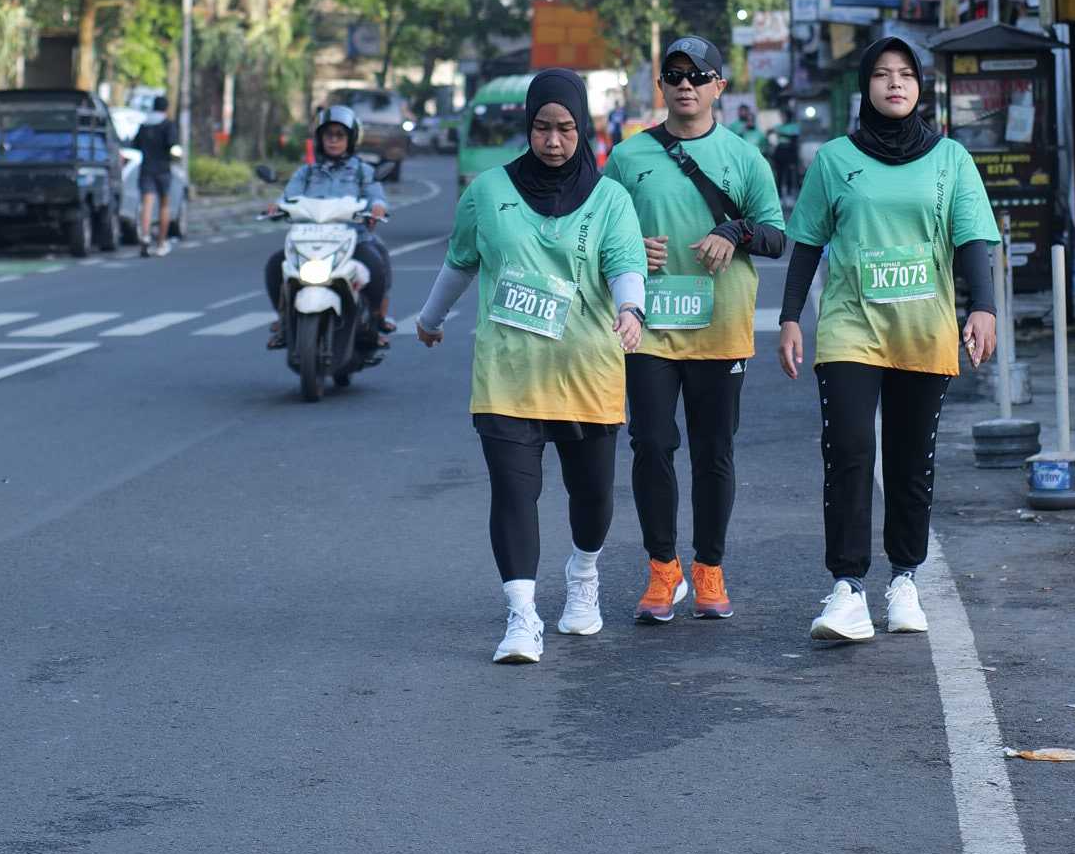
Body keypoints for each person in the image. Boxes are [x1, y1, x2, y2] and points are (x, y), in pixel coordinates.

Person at [777, 28, 999, 647]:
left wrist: (982, 308)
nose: (894, 83)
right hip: (851, 326)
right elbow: (807, 243)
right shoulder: (834, 160)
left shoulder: (950, 159)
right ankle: (848, 587)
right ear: (865, 87)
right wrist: (790, 316)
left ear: (920, 87)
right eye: (881, 74)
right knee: (848, 449)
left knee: (910, 458)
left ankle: (905, 578)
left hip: (924, 328)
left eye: (905, 74)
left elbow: (970, 239)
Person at [415, 69, 646, 663]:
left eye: (565, 128)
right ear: (527, 126)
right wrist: (430, 318)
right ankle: (522, 617)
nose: (553, 141)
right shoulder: (488, 191)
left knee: (592, 496)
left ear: (583, 127)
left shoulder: (611, 199)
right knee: (513, 494)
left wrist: (631, 310)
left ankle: (584, 575)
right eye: (542, 127)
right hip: (508, 374)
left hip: (587, 371)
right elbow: (461, 259)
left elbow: (625, 263)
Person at [605, 35, 786, 622]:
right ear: (661, 85)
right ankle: (663, 568)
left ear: (718, 87)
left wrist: (734, 231)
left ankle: (710, 567)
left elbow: (777, 238)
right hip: (648, 327)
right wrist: (632, 249)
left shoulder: (744, 157)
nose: (686, 84)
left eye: (698, 75)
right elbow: (599, 232)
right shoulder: (628, 158)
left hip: (719, 328)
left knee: (713, 451)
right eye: (675, 75)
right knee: (652, 443)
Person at [265, 105, 392, 348]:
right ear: (319, 139)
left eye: (339, 135)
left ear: (351, 140)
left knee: (377, 263)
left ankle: (376, 321)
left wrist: (377, 207)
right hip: (308, 240)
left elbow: (376, 196)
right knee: (274, 265)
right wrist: (276, 206)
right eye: (328, 135)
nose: (333, 140)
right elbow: (288, 196)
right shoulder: (306, 173)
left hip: (353, 240)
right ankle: (283, 320)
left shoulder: (363, 172)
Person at [133, 103, 180, 257]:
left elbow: (135, 144)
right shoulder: (167, 125)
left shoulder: (144, 125)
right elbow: (172, 145)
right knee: (164, 205)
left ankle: (145, 237)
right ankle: (161, 243)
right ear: (166, 109)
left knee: (147, 205)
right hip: (163, 170)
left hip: (146, 169)